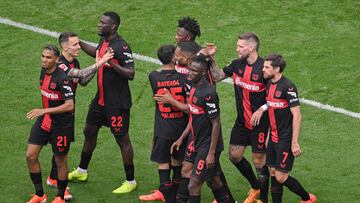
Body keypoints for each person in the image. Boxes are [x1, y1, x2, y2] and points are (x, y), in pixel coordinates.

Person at [67, 11, 137, 194]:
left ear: (112, 26)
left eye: (102, 23)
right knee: (89, 131)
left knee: (122, 140)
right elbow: (98, 53)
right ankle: (82, 171)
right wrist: (79, 43)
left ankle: (130, 181)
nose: (99, 25)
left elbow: (131, 73)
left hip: (117, 104)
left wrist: (110, 62)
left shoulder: (121, 46)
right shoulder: (105, 42)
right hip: (100, 101)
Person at [46, 32, 114, 200]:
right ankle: (54, 180)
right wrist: (100, 62)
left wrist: (95, 68)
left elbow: (82, 80)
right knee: (61, 149)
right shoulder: (60, 64)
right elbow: (79, 74)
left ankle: (53, 177)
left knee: (62, 147)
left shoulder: (73, 61)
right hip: (58, 113)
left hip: (67, 113)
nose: (79, 47)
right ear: (64, 47)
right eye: (75, 45)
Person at [203, 32, 270, 203]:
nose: (237, 49)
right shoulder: (236, 65)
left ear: (252, 47)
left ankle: (263, 198)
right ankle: (255, 187)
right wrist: (211, 58)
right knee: (234, 155)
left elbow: (277, 97)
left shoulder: (264, 69)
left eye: (240, 46)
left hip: (260, 124)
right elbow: (217, 76)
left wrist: (262, 109)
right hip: (242, 122)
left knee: (259, 161)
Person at [171, 54, 235, 203]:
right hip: (195, 140)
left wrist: (211, 153)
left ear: (203, 72)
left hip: (208, 144)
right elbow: (193, 116)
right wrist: (182, 137)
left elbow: (216, 123)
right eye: (189, 69)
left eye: (194, 71)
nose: (190, 72)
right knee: (204, 177)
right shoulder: (192, 86)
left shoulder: (208, 93)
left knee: (194, 185)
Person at [262, 54, 317, 203]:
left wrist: (294, 142)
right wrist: (268, 135)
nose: (263, 70)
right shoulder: (269, 85)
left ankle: (307, 199)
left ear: (277, 69)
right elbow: (272, 111)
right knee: (273, 172)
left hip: (285, 139)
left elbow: (297, 115)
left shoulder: (288, 86)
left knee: (281, 176)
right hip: (272, 137)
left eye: (267, 67)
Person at [139, 44, 188, 202]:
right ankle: (178, 196)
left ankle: (168, 196)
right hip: (181, 127)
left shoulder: (154, 76)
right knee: (177, 162)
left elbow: (161, 73)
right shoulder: (184, 78)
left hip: (162, 128)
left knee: (163, 163)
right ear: (174, 58)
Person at [25, 45, 74, 203]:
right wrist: (44, 112)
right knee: (31, 156)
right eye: (43, 56)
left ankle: (60, 197)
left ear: (57, 60)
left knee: (60, 161)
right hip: (44, 120)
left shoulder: (62, 78)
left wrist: (45, 111)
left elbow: (70, 105)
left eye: (48, 57)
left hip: (61, 125)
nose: (44, 60)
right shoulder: (43, 71)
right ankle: (40, 194)